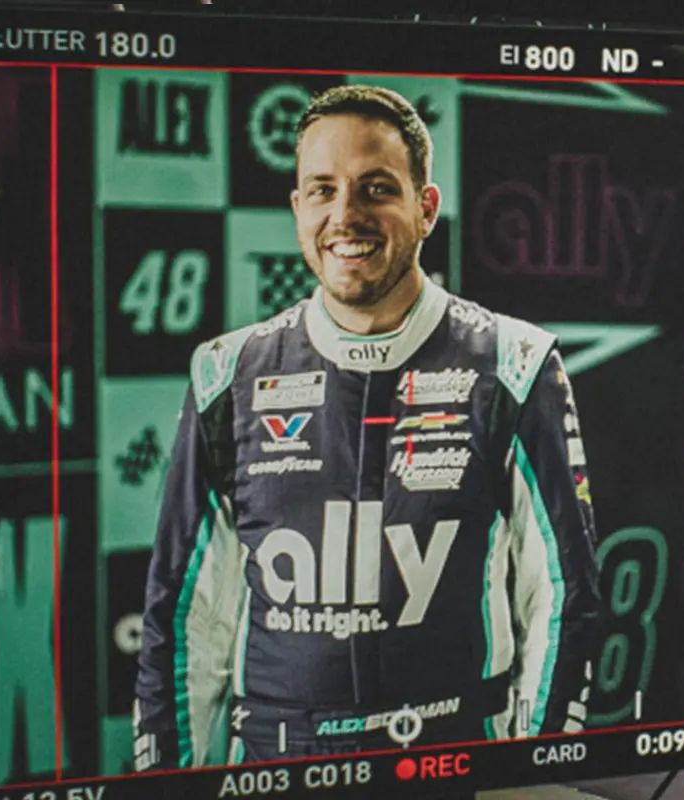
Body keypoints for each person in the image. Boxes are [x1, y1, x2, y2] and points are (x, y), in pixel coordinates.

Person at [133, 85, 603, 770]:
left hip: (458, 764)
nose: (345, 215)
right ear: (298, 208)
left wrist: (535, 771)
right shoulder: (227, 374)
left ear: (426, 208)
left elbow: (562, 593)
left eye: (377, 189)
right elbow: (183, 619)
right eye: (322, 190)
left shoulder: (515, 364)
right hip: (276, 768)